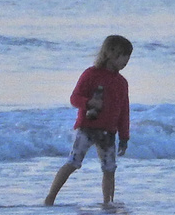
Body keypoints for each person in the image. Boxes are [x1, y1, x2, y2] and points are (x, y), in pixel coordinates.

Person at [44, 34, 133, 206]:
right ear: (110, 53)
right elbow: (74, 98)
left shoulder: (122, 82)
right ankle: (50, 197)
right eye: (123, 56)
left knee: (109, 169)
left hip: (108, 132)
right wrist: (88, 102)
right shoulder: (91, 74)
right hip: (87, 127)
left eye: (128, 58)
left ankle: (108, 203)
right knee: (73, 163)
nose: (126, 61)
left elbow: (124, 111)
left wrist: (124, 137)